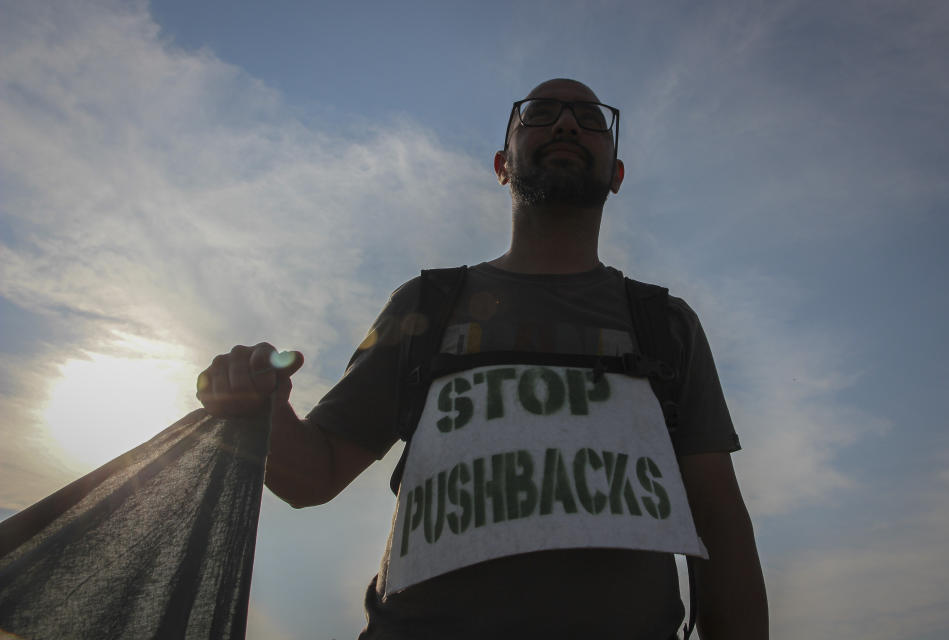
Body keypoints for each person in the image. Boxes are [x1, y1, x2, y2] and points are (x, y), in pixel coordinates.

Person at [197, 78, 769, 640]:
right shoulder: (427, 305)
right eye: (541, 112)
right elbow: (313, 476)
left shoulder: (665, 325)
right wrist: (261, 409)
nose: (567, 122)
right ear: (501, 165)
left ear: (616, 176)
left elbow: (718, 517)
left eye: (590, 119)